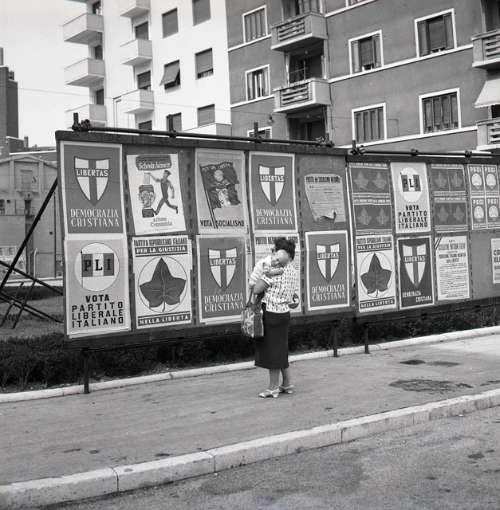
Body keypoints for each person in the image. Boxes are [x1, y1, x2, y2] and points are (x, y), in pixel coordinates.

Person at [249, 238, 299, 399]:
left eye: (275, 251)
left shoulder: (274, 269)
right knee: (280, 349)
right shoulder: (292, 270)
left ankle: (272, 388)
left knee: (273, 352)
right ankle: (287, 383)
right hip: (284, 313)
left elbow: (256, 289)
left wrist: (263, 273)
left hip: (271, 313)